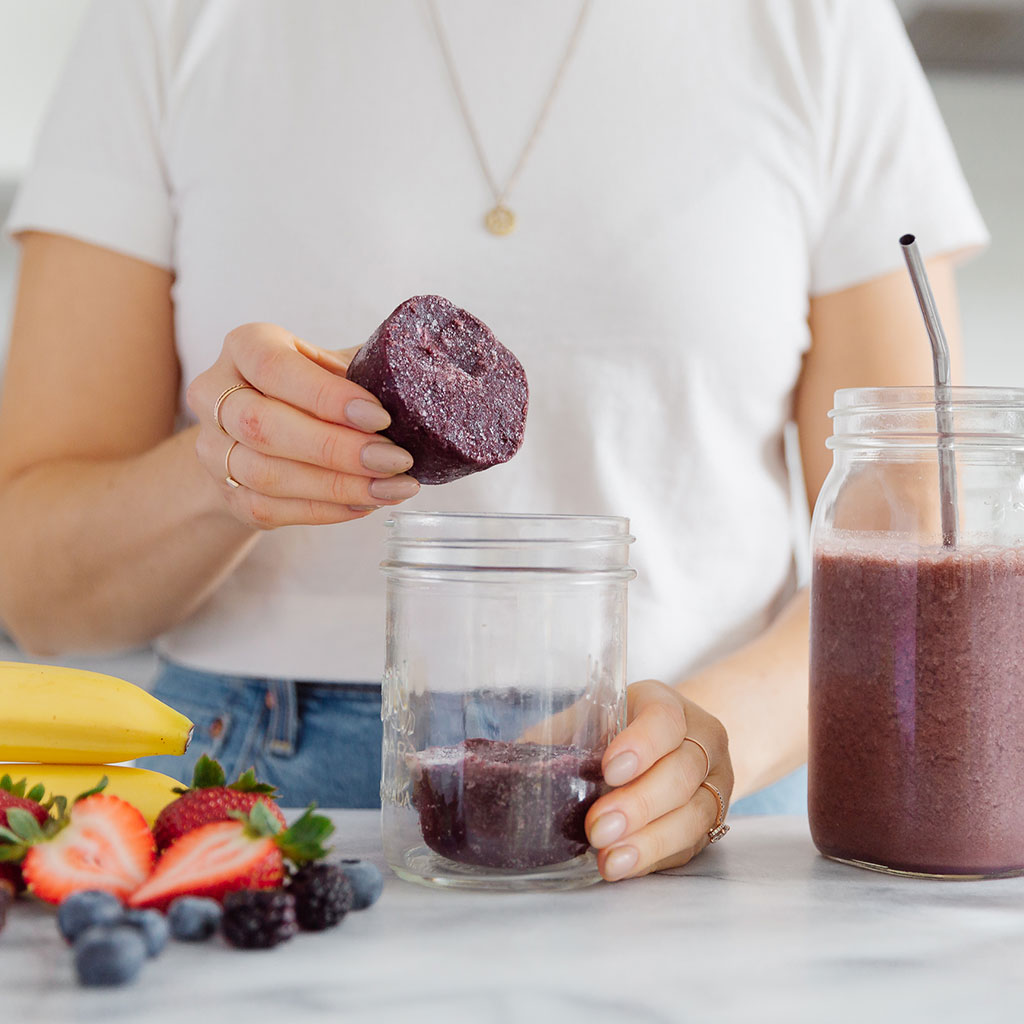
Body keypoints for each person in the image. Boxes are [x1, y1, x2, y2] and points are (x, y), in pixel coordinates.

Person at [0, 0, 985, 882]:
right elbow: (33, 587)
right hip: (258, 787)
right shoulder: (168, 19)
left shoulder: (817, 24)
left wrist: (712, 735)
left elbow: (910, 568)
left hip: (695, 790)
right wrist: (222, 473)